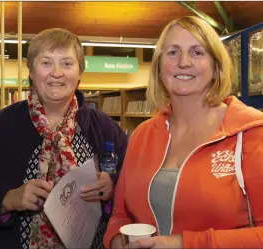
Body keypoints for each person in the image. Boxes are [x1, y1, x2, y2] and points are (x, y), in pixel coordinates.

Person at [0, 28, 128, 249]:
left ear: (80, 72)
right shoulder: (2, 126)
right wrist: (9, 199)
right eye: (46, 63)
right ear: (31, 72)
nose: (56, 72)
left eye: (67, 63)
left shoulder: (103, 127)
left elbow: (133, 184)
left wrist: (112, 188)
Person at [104, 16, 263, 249]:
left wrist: (183, 243)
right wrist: (118, 241)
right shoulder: (142, 135)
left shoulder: (252, 133)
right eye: (173, 52)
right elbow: (120, 215)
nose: (184, 62)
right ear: (159, 66)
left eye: (197, 52)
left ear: (216, 65)